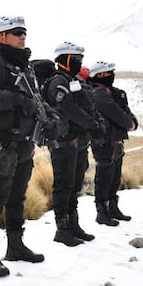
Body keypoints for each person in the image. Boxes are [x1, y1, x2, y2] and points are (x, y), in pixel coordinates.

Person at [0, 16, 54, 277]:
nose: (22, 36)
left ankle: (16, 246)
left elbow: (35, 98)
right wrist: (20, 100)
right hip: (1, 142)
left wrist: (49, 114)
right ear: (2, 37)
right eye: (16, 32)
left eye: (24, 33)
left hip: (22, 142)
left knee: (18, 196)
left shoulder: (25, 68)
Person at [43, 41, 102, 247]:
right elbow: (69, 108)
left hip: (78, 142)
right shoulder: (57, 82)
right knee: (63, 185)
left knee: (75, 184)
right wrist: (90, 124)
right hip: (63, 142)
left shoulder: (73, 80)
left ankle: (73, 225)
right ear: (64, 60)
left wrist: (94, 123)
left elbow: (85, 105)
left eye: (80, 60)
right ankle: (62, 229)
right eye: (76, 59)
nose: (79, 63)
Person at [86, 61, 138, 223]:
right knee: (104, 177)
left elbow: (125, 112)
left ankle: (112, 208)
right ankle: (102, 212)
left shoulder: (113, 92)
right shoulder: (98, 93)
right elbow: (117, 113)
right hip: (103, 141)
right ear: (100, 75)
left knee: (114, 176)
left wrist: (131, 122)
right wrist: (130, 124)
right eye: (109, 72)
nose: (112, 75)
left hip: (115, 140)